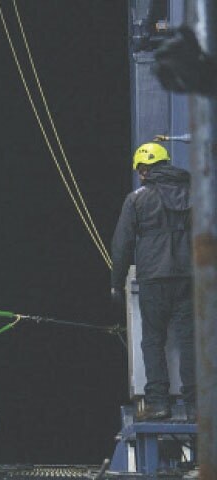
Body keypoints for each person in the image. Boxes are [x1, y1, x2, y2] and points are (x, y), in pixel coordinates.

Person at [110, 142, 194, 421]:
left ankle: (158, 403)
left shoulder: (137, 199)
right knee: (189, 341)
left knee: (153, 340)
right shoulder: (193, 194)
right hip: (188, 277)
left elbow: (122, 244)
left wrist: (116, 282)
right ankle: (195, 405)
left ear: (144, 170)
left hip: (153, 279)